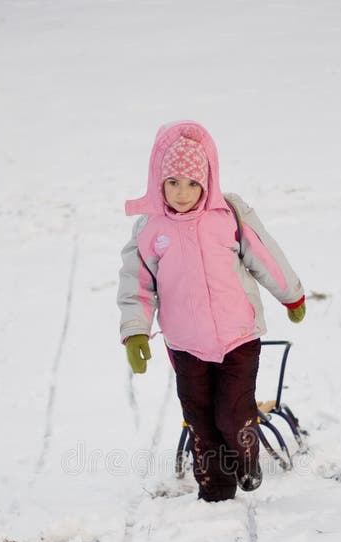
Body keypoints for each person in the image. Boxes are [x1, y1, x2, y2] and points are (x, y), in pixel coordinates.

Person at [117, 120, 306, 502]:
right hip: (186, 344)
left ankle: (247, 460)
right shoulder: (150, 228)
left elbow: (264, 256)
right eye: (173, 183)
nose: (182, 193)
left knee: (233, 414)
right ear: (159, 182)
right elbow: (136, 284)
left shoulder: (227, 213)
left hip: (238, 336)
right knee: (201, 422)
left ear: (206, 181)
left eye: (191, 184)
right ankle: (216, 491)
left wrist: (291, 295)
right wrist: (136, 330)